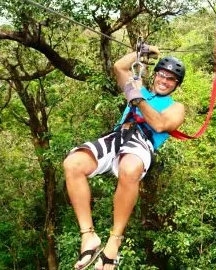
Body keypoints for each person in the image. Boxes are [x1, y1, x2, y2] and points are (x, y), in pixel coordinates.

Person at [63, 46, 186, 270]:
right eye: (162, 74)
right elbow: (119, 66)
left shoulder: (176, 107)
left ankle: (114, 241)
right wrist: (142, 53)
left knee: (130, 169)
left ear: (176, 85)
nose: (165, 81)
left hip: (141, 143)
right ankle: (88, 235)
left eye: (171, 79)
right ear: (155, 74)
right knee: (73, 164)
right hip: (117, 136)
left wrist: (137, 99)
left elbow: (159, 124)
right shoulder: (139, 87)